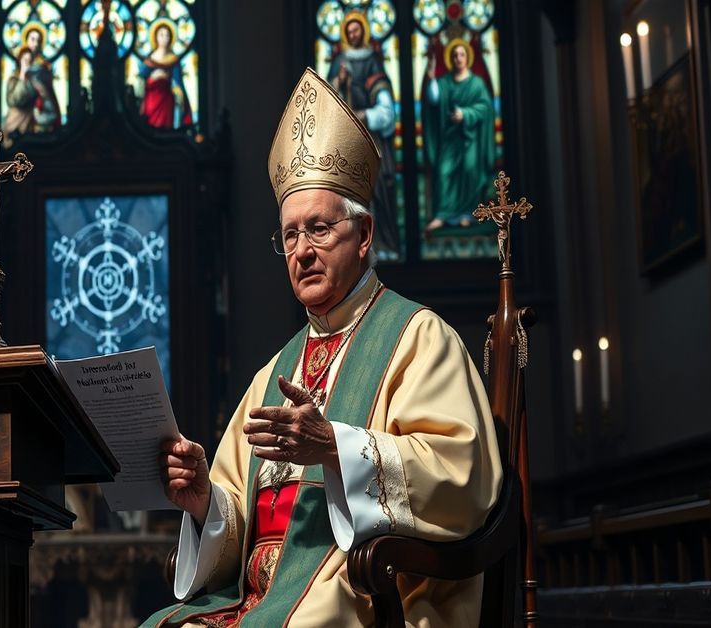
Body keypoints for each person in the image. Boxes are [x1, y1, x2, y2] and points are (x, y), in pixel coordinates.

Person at [142, 68, 502, 626]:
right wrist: (202, 503)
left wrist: (335, 444)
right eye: (290, 235)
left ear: (364, 237)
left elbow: (462, 478)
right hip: (261, 597)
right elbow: (238, 512)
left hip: (362, 590)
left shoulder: (419, 338)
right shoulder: (273, 371)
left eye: (319, 229)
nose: (302, 251)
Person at [327, 12, 400, 260]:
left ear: (364, 31)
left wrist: (364, 117)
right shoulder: (339, 62)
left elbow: (386, 109)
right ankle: (352, 253)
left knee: (379, 193)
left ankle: (385, 248)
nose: (353, 34)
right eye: (350, 30)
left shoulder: (372, 62)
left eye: (357, 29)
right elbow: (328, 102)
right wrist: (339, 81)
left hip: (372, 142)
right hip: (346, 145)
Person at [422, 39, 496, 234]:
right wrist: (431, 79)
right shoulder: (445, 82)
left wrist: (465, 114)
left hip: (471, 140)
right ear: (450, 59)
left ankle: (466, 214)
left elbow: (486, 108)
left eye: (462, 54)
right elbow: (434, 100)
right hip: (450, 138)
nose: (458, 58)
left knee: (470, 169)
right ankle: (442, 215)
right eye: (455, 55)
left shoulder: (476, 84)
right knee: (444, 172)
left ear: (468, 58)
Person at [138, 22, 193, 129]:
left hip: (166, 99)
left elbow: (178, 82)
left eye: (167, 35)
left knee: (165, 129)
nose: (164, 38)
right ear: (155, 37)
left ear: (171, 38)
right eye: (161, 35)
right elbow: (141, 78)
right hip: (151, 99)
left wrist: (178, 91)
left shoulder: (173, 60)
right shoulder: (150, 59)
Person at [3, 46, 39, 143]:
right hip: (13, 124)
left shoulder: (34, 83)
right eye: (25, 60)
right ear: (19, 61)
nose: (27, 62)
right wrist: (23, 75)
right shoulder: (13, 81)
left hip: (28, 126)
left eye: (30, 60)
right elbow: (14, 101)